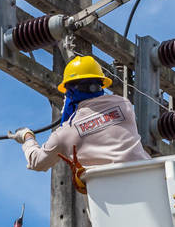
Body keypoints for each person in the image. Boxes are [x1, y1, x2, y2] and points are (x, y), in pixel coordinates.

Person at [9, 55, 151, 169]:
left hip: (108, 199)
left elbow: (37, 162)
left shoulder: (65, 134)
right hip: (148, 181)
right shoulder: (124, 105)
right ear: (101, 84)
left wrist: (28, 137)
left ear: (70, 92)